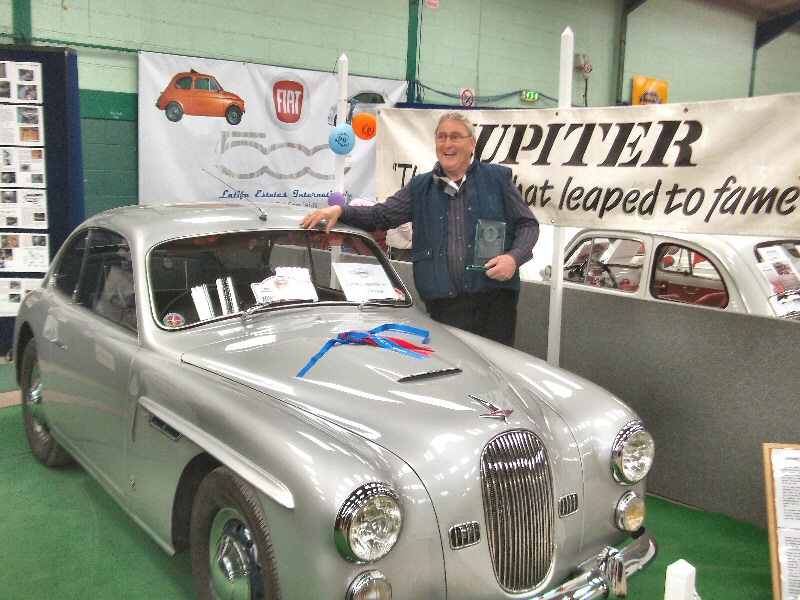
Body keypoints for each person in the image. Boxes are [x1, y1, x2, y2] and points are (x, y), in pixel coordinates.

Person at [300, 111, 539, 346]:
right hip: (445, 305)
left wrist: (513, 258)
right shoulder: (420, 187)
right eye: (442, 137)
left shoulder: (497, 179)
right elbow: (380, 215)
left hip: (495, 302)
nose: (448, 143)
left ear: (472, 144)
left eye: (456, 136)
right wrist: (342, 211)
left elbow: (528, 224)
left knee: (496, 370)